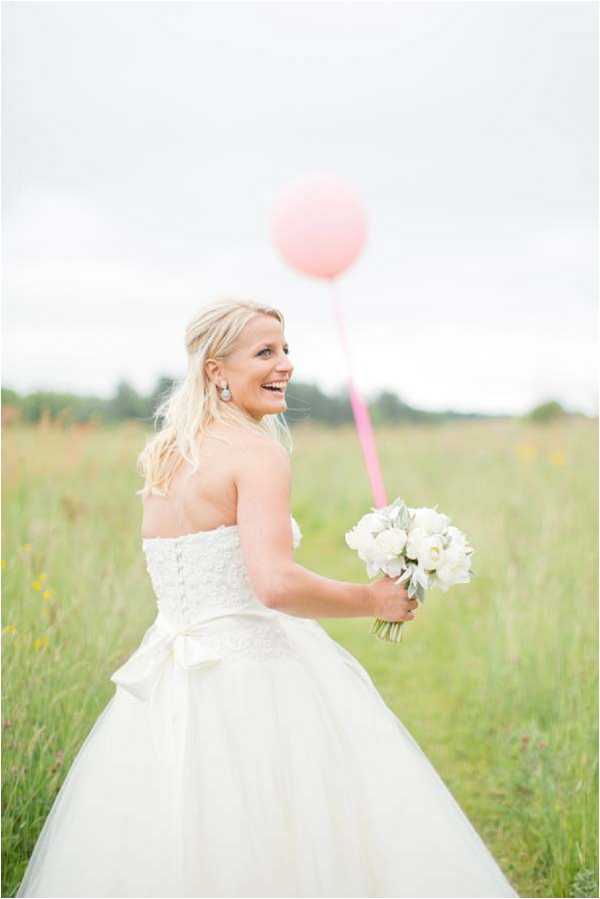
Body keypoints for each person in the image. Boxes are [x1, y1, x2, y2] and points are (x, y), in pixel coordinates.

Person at [17, 297, 518, 898]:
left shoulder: (167, 455)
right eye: (265, 352)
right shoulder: (258, 455)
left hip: (169, 683)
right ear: (215, 370)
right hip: (252, 679)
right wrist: (371, 599)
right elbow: (274, 584)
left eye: (286, 349)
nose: (285, 365)